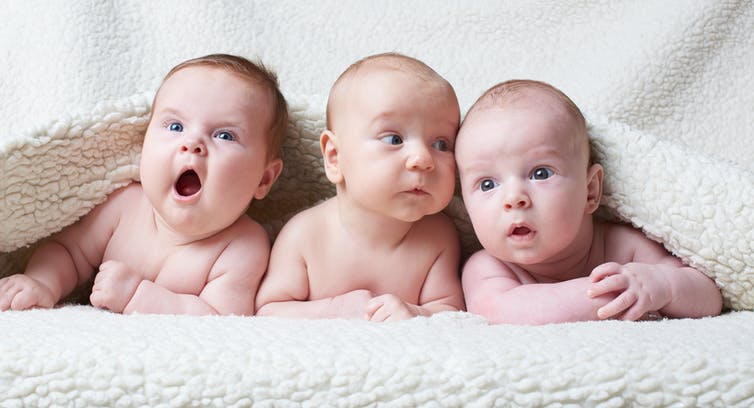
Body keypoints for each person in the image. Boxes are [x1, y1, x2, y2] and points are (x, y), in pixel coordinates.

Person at [0, 54, 287, 315]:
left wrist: (142, 297)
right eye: (175, 126)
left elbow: (223, 319)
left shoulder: (243, 246)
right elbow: (68, 252)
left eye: (224, 135)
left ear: (263, 179)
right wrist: (43, 283)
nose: (193, 143)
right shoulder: (124, 206)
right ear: (143, 146)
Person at [456, 79, 723, 325]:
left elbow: (709, 298)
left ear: (591, 191)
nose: (514, 198)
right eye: (487, 184)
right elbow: (503, 311)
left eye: (541, 173)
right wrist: (616, 294)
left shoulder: (622, 246)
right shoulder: (487, 267)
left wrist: (663, 285)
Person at [255, 53, 465, 321]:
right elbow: (268, 311)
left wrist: (415, 313)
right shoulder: (305, 235)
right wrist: (331, 309)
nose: (423, 159)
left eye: (441, 144)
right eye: (394, 138)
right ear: (334, 157)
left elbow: (451, 314)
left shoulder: (438, 237)